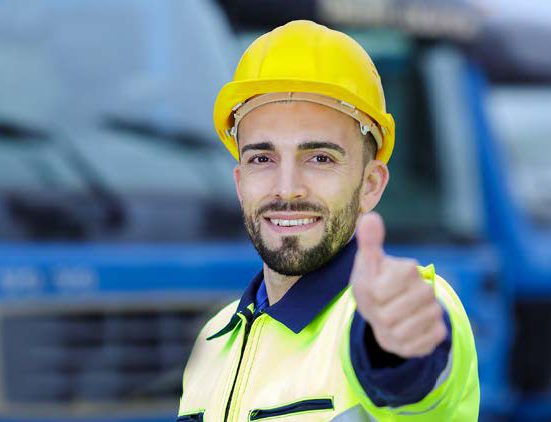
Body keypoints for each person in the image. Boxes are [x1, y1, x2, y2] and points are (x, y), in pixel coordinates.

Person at [177, 20, 478, 421]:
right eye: (261, 159)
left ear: (370, 184)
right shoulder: (214, 340)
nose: (287, 189)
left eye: (320, 158)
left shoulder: (395, 313)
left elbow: (411, 374)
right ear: (239, 182)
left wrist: (396, 344)